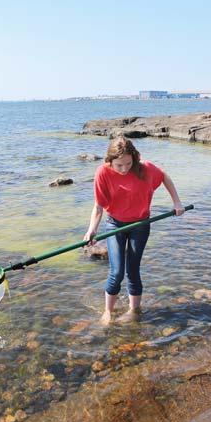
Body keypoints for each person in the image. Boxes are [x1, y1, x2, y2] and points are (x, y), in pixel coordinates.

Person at [84, 136, 185, 325]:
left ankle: (134, 310)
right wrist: (92, 230)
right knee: (116, 272)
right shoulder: (102, 173)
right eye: (118, 165)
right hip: (115, 224)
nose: (124, 169)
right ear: (109, 161)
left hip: (140, 225)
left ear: (135, 158)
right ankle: (107, 311)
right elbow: (98, 207)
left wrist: (177, 202)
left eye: (128, 164)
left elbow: (164, 176)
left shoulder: (144, 168)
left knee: (132, 269)